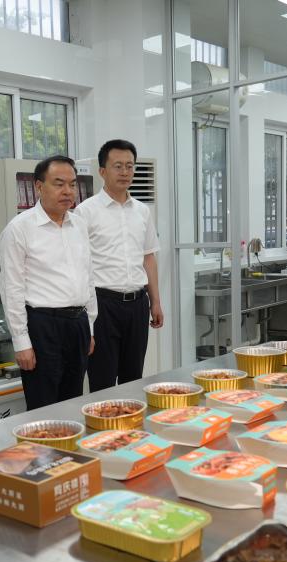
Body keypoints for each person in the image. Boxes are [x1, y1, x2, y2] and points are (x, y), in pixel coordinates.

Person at [0, 155, 97, 410]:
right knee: (43, 407)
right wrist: (21, 342)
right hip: (43, 327)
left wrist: (89, 327)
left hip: (78, 324)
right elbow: (11, 289)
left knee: (73, 403)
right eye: (59, 184)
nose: (68, 191)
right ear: (39, 187)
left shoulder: (79, 225)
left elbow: (88, 277)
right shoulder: (19, 229)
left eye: (72, 184)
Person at [75, 139, 163, 392]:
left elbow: (148, 258)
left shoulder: (142, 211)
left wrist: (155, 302)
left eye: (129, 166)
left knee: (134, 378)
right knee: (102, 381)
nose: (125, 172)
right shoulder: (85, 212)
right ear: (102, 171)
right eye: (118, 166)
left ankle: (131, 419)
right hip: (102, 305)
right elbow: (78, 263)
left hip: (137, 304)